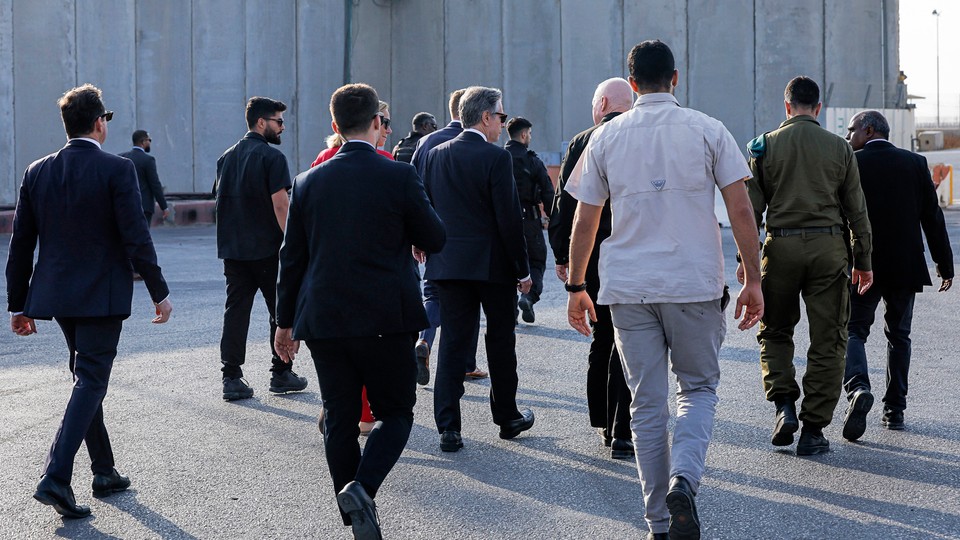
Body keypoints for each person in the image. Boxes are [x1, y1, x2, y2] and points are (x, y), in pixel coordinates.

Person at [566, 41, 763, 540]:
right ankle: (684, 480)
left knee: (645, 403)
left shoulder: (606, 137)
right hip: (693, 283)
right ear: (676, 78)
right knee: (697, 390)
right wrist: (753, 278)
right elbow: (741, 210)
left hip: (628, 288)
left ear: (631, 84)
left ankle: (658, 522)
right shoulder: (707, 129)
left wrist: (574, 285)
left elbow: (585, 219)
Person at [274, 82, 445, 540]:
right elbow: (435, 238)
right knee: (398, 414)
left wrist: (283, 323)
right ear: (376, 122)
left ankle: (354, 519)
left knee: (339, 419)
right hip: (386, 317)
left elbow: (292, 258)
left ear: (334, 126)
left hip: (325, 319)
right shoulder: (398, 175)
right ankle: (363, 489)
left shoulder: (308, 181)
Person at [5, 84, 173, 519]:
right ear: (100, 123)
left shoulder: (36, 170)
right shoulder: (116, 169)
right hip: (101, 293)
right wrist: (159, 291)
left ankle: (104, 471)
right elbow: (135, 234)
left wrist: (16, 304)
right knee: (92, 378)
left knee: (84, 374)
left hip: (57, 295)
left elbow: (21, 244)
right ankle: (56, 477)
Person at [746, 76, 873, 456]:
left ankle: (784, 406)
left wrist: (747, 263)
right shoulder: (840, 148)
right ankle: (813, 429)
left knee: (775, 331)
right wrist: (863, 260)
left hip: (779, 248)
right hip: (828, 249)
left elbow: (748, 211)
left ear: (786, 107)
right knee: (828, 339)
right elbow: (857, 211)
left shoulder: (764, 146)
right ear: (818, 109)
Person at [422, 86, 535, 453]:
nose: (503, 124)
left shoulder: (435, 154)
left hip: (448, 264)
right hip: (493, 267)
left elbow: (426, 204)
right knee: (500, 341)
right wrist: (522, 270)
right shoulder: (495, 158)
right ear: (485, 117)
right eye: (501, 117)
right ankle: (507, 417)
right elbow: (508, 220)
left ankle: (448, 427)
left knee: (453, 343)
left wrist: (423, 243)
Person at [841, 110, 953, 439]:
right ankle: (895, 411)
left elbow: (839, 216)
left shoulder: (853, 164)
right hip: (906, 266)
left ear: (869, 130)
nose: (848, 138)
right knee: (899, 336)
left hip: (863, 266)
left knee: (854, 331)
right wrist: (944, 264)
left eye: (852, 131)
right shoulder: (915, 163)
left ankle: (859, 387)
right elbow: (932, 218)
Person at [548, 77, 635, 460]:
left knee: (602, 336)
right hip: (633, 250)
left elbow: (564, 204)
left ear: (601, 104)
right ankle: (623, 429)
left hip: (593, 254)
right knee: (631, 336)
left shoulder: (583, 141)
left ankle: (601, 419)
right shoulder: (638, 134)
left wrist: (564, 257)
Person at [214, 96, 308, 401]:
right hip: (269, 249)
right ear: (261, 122)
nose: (282, 127)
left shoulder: (226, 157)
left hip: (234, 250)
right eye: (278, 121)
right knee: (279, 312)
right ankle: (281, 373)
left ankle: (231, 377)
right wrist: (294, 242)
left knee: (236, 312)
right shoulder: (272, 158)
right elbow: (281, 205)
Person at [410, 89, 488, 382]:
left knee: (433, 293)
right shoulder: (482, 143)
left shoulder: (428, 141)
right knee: (469, 299)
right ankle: (467, 362)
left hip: (434, 230)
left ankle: (424, 340)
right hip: (472, 239)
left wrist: (417, 235)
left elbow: (415, 189)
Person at [504, 117, 555, 324]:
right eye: (530, 134)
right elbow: (548, 193)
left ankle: (510, 310)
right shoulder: (532, 160)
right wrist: (554, 217)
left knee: (506, 265)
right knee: (536, 262)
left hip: (503, 220)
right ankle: (528, 297)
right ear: (524, 134)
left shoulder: (498, 157)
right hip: (530, 221)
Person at [313, 101, 394, 167]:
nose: (389, 131)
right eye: (386, 123)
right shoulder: (385, 159)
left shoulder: (324, 156)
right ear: (375, 122)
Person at [119, 129, 168, 226]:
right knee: (143, 236)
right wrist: (164, 207)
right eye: (149, 140)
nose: (150, 143)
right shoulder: (148, 160)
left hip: (125, 205)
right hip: (144, 207)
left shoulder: (122, 158)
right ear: (143, 142)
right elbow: (155, 185)